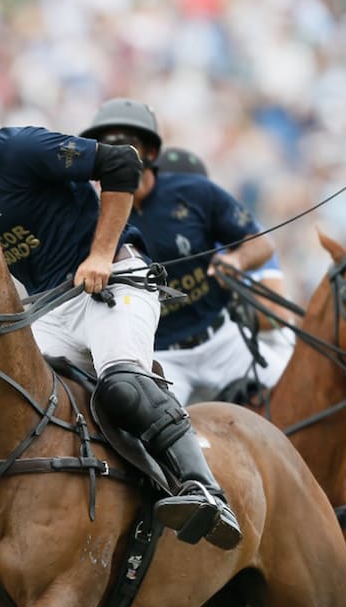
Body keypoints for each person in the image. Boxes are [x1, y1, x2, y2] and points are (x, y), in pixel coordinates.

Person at [0, 68, 242, 553]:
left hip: (116, 283)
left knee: (122, 384)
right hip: (50, 308)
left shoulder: (21, 149)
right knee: (1, 403)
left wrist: (102, 253)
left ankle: (204, 490)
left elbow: (122, 165)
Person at [147, 140, 346, 607]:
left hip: (235, 356)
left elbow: (275, 311)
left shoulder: (219, 235)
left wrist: (237, 291)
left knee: (322, 411)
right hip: (172, 367)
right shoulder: (135, 240)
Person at [79, 99, 284, 406]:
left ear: (150, 152)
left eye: (127, 143)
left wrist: (236, 259)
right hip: (160, 358)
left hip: (223, 340)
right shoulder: (88, 217)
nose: (117, 152)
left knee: (299, 401)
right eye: (106, 145)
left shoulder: (194, 191)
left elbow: (262, 244)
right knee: (147, 435)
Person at [153, 145, 299, 398]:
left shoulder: (239, 235)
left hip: (250, 347)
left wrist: (228, 296)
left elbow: (277, 316)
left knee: (298, 404)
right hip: (171, 357)